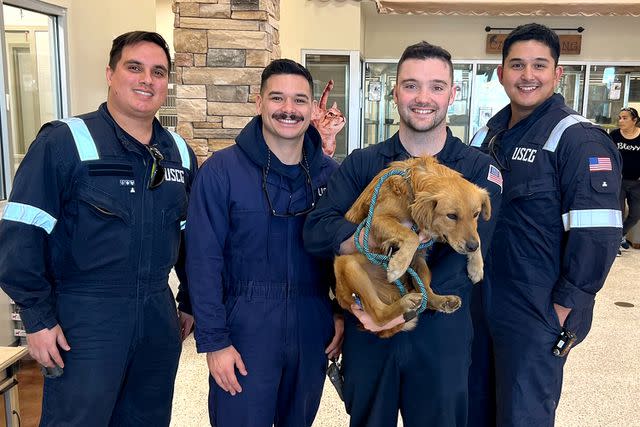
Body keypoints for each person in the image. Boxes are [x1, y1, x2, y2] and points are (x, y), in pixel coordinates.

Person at [0, 31, 197, 425]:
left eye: (158, 72)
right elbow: (21, 235)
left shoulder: (179, 152)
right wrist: (37, 319)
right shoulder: (64, 142)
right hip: (85, 317)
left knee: (147, 418)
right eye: (134, 67)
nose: (146, 79)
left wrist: (189, 299)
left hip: (157, 314)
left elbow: (192, 236)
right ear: (110, 73)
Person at [303, 41, 502, 427]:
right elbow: (317, 229)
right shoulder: (364, 163)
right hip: (369, 326)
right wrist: (368, 244)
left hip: (441, 333)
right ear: (395, 92)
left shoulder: (477, 172)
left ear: (452, 94)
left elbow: (472, 251)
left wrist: (413, 298)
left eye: (436, 86)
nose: (423, 98)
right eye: (411, 85)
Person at [469, 23, 622, 426]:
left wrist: (563, 307)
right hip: (483, 299)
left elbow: (599, 235)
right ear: (500, 73)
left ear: (557, 74)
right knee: (474, 407)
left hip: (537, 308)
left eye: (540, 65)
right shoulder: (489, 134)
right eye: (517, 64)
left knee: (523, 414)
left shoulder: (578, 139)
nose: (527, 75)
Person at [185, 59, 343, 427]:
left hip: (311, 324)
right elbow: (203, 262)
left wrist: (340, 315)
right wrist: (215, 342)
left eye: (300, 100)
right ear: (259, 102)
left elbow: (345, 256)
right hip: (245, 326)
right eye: (277, 98)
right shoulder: (221, 172)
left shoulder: (332, 177)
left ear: (313, 109)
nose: (289, 109)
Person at [610, 106, 640, 251]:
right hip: (618, 181)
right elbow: (607, 155)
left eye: (625, 118)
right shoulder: (614, 135)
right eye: (620, 118)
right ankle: (615, 244)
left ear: (634, 120)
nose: (621, 121)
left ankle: (620, 235)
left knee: (635, 214)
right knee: (618, 213)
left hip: (637, 183)